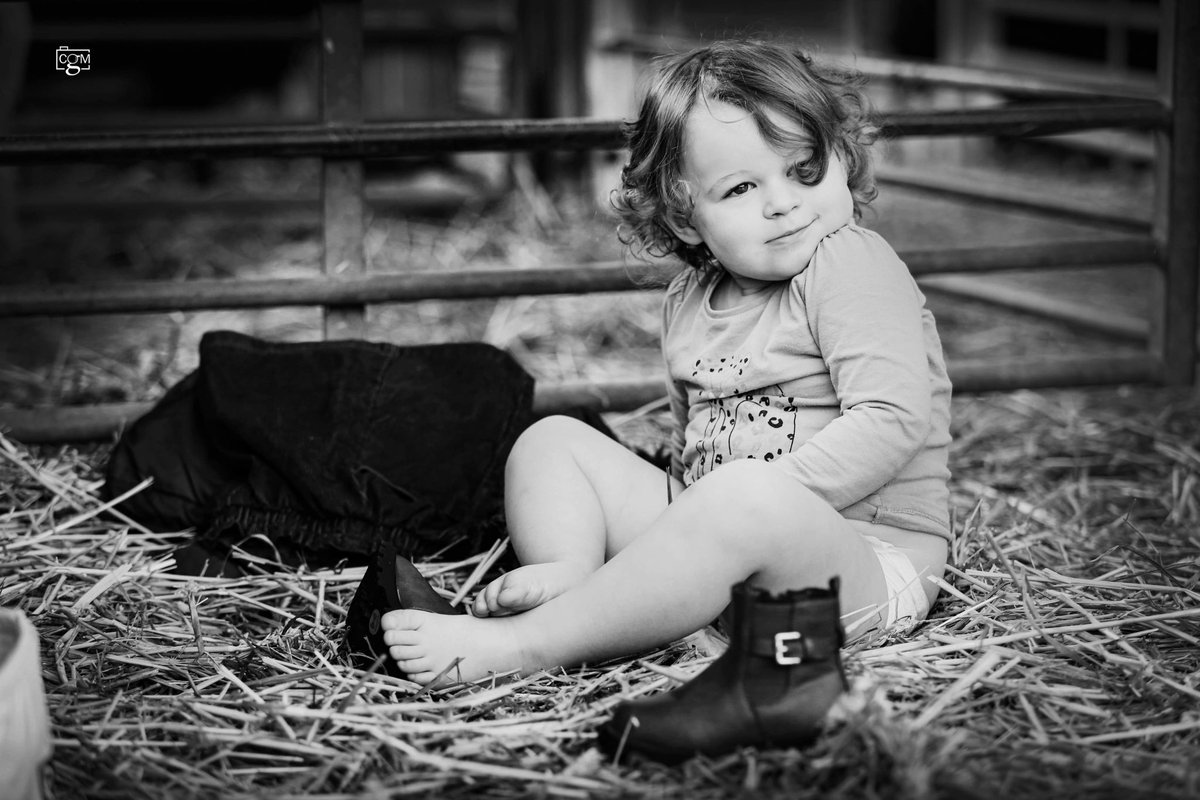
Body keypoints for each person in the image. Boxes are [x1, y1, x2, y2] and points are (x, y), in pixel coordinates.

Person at [380, 39, 952, 758]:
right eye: (741, 189)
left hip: (858, 565)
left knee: (741, 498)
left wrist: (735, 504)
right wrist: (690, 519)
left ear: (840, 156)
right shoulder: (689, 299)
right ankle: (578, 579)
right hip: (726, 532)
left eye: (804, 169)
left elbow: (892, 419)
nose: (784, 203)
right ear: (685, 219)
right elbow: (695, 444)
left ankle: (521, 646)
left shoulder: (849, 263)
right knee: (552, 441)